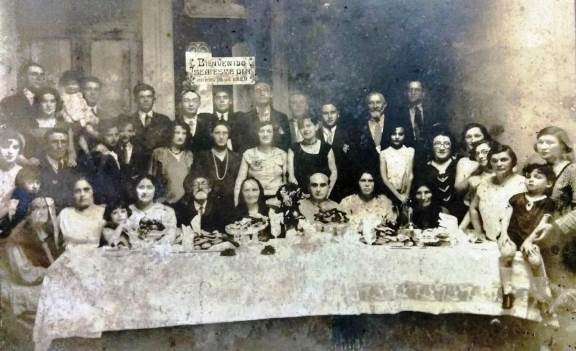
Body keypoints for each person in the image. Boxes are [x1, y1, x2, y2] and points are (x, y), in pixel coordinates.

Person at [498, 163, 556, 310]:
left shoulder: (548, 203)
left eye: (537, 177)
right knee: (506, 253)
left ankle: (542, 297)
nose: (531, 180)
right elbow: (505, 218)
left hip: (531, 237)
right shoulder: (516, 198)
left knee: (535, 261)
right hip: (512, 234)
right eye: (528, 176)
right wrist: (504, 234)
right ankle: (507, 292)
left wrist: (529, 241)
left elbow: (542, 224)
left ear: (548, 183)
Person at [4, 196, 59, 319]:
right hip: (26, 287)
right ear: (29, 212)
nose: (42, 212)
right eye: (36, 208)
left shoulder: (43, 230)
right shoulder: (19, 236)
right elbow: (25, 274)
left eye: (45, 208)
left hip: (43, 280)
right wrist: (51, 273)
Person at [469, 144, 526, 241]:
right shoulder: (485, 183)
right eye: (494, 161)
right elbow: (473, 207)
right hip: (489, 240)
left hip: (514, 242)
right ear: (490, 163)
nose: (499, 164)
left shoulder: (523, 184)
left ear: (513, 161)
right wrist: (478, 232)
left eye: (504, 160)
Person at [234, 120, 287, 205]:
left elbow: (286, 182)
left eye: (269, 131)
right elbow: (240, 181)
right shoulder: (249, 154)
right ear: (256, 134)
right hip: (255, 200)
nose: (265, 134)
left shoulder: (282, 154)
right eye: (261, 131)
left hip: (278, 201)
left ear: (274, 134)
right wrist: (236, 203)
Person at [191, 121, 240, 211]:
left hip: (231, 206)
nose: (221, 137)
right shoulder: (202, 156)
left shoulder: (236, 158)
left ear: (228, 135)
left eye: (224, 133)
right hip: (208, 207)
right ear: (212, 135)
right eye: (217, 133)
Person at [288, 116, 337, 194]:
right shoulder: (293, 149)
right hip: (302, 195)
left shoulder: (326, 148)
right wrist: (300, 194)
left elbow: (334, 172)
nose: (305, 129)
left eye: (308, 126)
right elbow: (291, 177)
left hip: (323, 194)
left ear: (316, 126)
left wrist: (328, 191)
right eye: (301, 127)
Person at [419, 131, 462, 219]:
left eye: (446, 144)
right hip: (433, 216)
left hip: (460, 214)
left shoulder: (459, 163)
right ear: (431, 146)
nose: (442, 148)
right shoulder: (423, 168)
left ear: (452, 146)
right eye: (437, 144)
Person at [119, 83, 172, 155]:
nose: (146, 100)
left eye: (149, 96)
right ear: (135, 100)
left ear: (154, 99)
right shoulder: (129, 120)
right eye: (141, 97)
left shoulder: (164, 120)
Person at [149, 121, 194, 204]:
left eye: (184, 133)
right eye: (177, 133)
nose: (180, 136)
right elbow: (151, 180)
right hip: (165, 203)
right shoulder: (159, 153)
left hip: (186, 204)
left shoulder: (189, 155)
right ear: (170, 133)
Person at [534, 126, 576, 214]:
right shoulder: (539, 170)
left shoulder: (572, 170)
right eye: (540, 142)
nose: (543, 147)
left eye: (549, 143)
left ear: (563, 146)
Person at [238, 82, 290, 151]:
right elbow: (241, 146)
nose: (262, 93)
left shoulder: (282, 117)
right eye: (258, 91)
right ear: (253, 95)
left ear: (271, 94)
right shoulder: (244, 118)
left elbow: (287, 143)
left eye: (265, 90)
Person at [58, 176, 106, 251]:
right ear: (72, 194)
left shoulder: (103, 212)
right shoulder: (65, 214)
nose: (82, 194)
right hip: (71, 260)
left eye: (86, 190)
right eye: (77, 191)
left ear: (93, 191)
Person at [317, 102, 353, 201]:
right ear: (320, 115)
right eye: (325, 113)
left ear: (338, 114)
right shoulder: (314, 135)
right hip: (319, 187)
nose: (329, 116)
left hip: (343, 188)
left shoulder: (348, 135)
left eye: (332, 112)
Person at [394, 80, 445, 150]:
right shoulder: (399, 113)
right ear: (406, 93)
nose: (413, 93)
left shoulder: (433, 112)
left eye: (417, 90)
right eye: (410, 90)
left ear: (423, 93)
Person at [126, 174, 177, 243]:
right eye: (141, 187)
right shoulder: (127, 211)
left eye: (149, 187)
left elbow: (170, 237)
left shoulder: (167, 211)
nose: (145, 192)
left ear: (155, 190)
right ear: (134, 190)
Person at [0, 62, 45, 130]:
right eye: (34, 74)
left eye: (42, 75)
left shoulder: (48, 101)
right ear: (23, 78)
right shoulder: (8, 102)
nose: (39, 78)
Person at [354, 92, 390, 171]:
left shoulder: (393, 123)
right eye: (371, 103)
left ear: (385, 105)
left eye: (378, 102)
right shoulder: (359, 126)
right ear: (367, 106)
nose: (375, 106)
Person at [379, 123, 414, 204]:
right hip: (389, 192)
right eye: (394, 134)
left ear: (405, 135)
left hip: (405, 193)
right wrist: (398, 196)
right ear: (389, 135)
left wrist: (406, 195)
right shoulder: (384, 153)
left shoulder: (410, 151)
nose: (397, 137)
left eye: (400, 134)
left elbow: (410, 175)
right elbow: (384, 178)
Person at [454, 123, 492, 194]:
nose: (473, 140)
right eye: (468, 137)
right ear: (464, 140)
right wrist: (476, 171)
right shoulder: (463, 162)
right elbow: (458, 189)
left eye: (477, 136)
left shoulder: (495, 157)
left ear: (485, 137)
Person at [0, 130, 25, 235]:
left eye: (15, 147)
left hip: (9, 224)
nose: (10, 151)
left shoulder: (23, 173)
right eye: (5, 146)